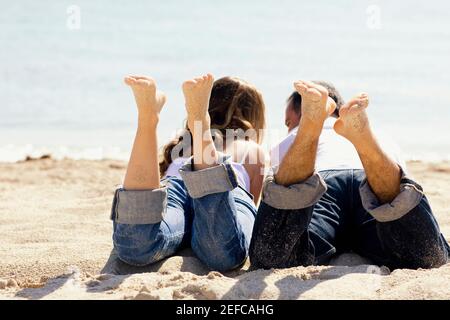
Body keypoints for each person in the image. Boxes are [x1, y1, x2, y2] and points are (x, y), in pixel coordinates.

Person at [249, 80, 449, 270]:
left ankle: (309, 130)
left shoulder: (291, 140)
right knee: (425, 256)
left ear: (301, 115)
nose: (288, 127)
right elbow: (403, 194)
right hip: (369, 178)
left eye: (288, 122)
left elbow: (282, 194)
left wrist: (301, 133)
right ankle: (363, 141)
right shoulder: (383, 137)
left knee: (273, 256)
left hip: (321, 181)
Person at [110, 74, 266, 272]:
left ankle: (147, 121)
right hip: (227, 189)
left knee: (136, 246)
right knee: (222, 254)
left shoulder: (182, 145)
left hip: (176, 183)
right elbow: (252, 206)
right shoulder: (250, 148)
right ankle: (200, 123)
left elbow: (153, 185)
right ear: (254, 115)